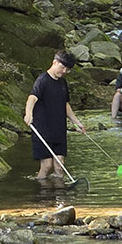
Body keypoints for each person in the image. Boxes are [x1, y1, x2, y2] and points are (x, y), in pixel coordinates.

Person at [24, 50, 86, 180]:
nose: (64, 71)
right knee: (47, 165)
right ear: (54, 62)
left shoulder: (63, 83)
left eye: (67, 69)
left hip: (59, 129)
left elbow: (65, 105)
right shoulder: (42, 80)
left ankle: (60, 191)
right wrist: (28, 113)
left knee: (59, 166)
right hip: (42, 129)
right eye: (62, 67)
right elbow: (32, 98)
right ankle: (41, 190)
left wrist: (76, 122)